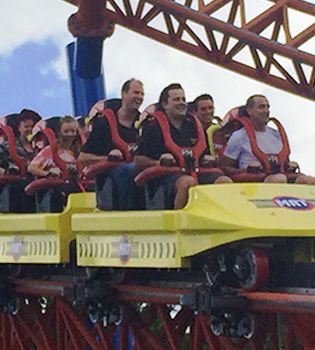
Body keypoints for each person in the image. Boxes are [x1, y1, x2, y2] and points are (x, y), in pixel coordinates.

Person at [134, 83, 232, 210]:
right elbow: (138, 160)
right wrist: (158, 162)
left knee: (224, 181)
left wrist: (208, 159)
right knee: (187, 183)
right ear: (165, 104)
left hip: (194, 172)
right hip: (164, 179)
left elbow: (204, 154)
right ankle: (180, 222)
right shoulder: (153, 127)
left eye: (183, 99)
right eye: (176, 100)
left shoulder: (194, 128)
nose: (182, 103)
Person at [78, 78, 145, 210]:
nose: (139, 97)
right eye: (136, 93)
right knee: (130, 170)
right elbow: (83, 158)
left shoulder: (145, 124)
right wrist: (107, 158)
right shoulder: (104, 124)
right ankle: (127, 214)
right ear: (124, 94)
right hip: (110, 180)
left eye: (142, 94)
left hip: (139, 171)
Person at [220, 94, 315, 184]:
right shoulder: (239, 136)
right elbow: (225, 166)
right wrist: (247, 169)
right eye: (261, 107)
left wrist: (290, 166)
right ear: (249, 110)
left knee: (309, 180)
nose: (266, 110)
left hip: (279, 177)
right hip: (255, 182)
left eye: (267, 107)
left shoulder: (277, 135)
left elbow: (285, 162)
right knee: (278, 180)